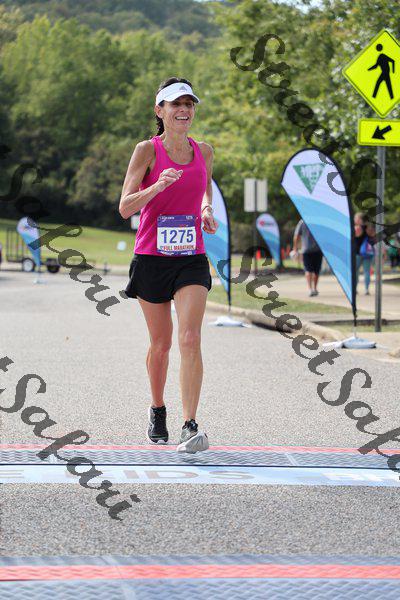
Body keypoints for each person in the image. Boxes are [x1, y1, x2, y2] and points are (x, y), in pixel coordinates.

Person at [119, 77, 218, 454]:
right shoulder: (147, 150)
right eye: (176, 104)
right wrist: (157, 186)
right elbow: (125, 207)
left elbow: (205, 188)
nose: (184, 110)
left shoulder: (204, 151)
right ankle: (157, 408)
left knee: (190, 338)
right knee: (160, 344)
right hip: (151, 258)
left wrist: (205, 210)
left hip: (191, 257)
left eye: (189, 104)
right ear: (159, 111)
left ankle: (190, 424)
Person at [292, 219, 323, 296]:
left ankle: (311, 289)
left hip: (307, 250)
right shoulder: (318, 221)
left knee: (309, 270)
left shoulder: (302, 222)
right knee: (316, 270)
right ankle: (314, 288)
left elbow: (296, 236)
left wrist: (295, 248)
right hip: (316, 250)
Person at [354, 212, 376, 295]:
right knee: (367, 271)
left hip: (358, 252)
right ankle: (366, 289)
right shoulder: (369, 227)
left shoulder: (357, 228)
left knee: (355, 271)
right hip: (368, 253)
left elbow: (354, 236)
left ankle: (355, 289)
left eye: (355, 218)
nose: (354, 220)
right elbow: (373, 236)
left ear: (359, 219)